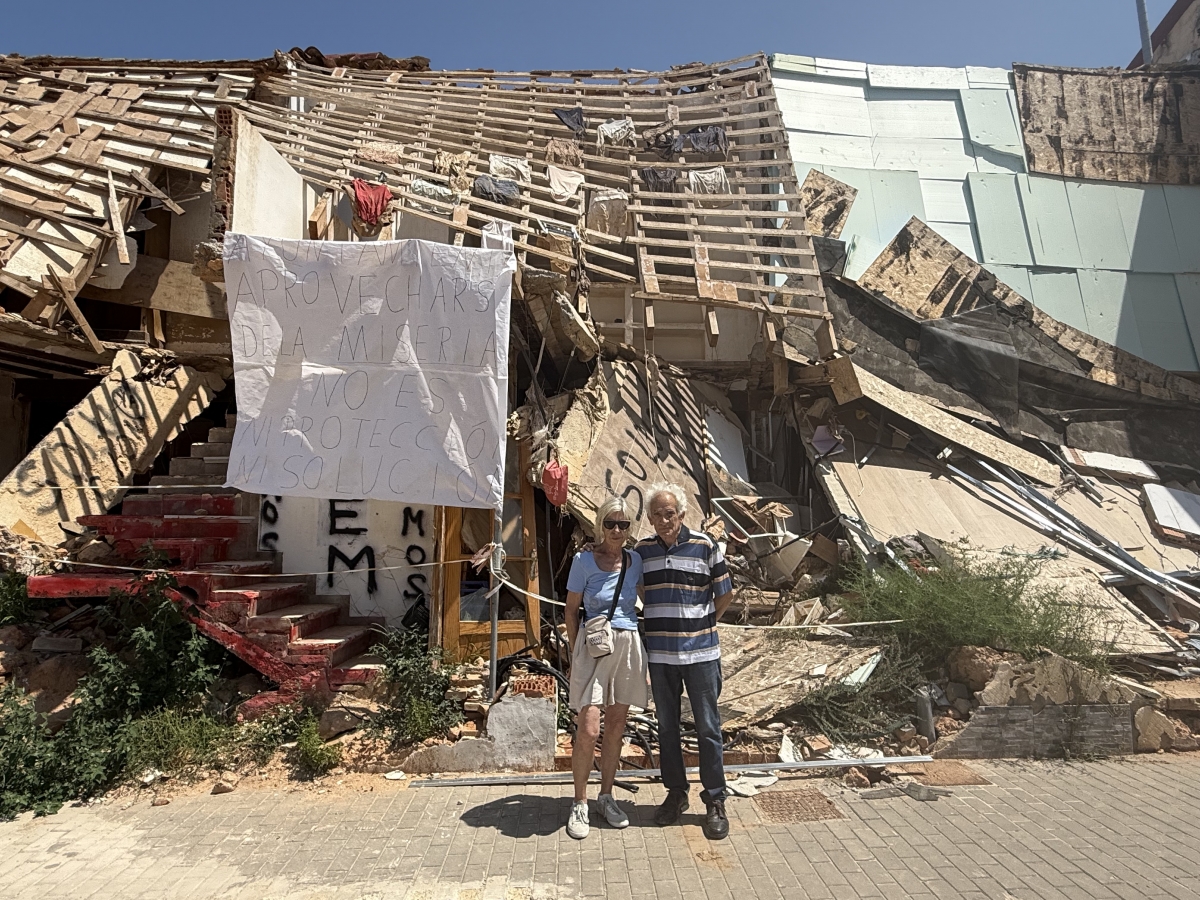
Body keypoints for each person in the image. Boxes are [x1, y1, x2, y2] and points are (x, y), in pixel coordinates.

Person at [636, 482, 734, 840]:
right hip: (661, 656)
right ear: (649, 518)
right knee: (667, 727)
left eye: (670, 513)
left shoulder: (705, 546)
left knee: (708, 728)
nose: (664, 520)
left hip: (701, 655)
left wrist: (702, 625)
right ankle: (676, 794)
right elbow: (642, 591)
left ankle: (715, 800)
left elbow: (724, 594)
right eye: (657, 515)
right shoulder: (641, 551)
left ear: (681, 514)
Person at [563, 496, 649, 840]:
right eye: (611, 523)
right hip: (594, 646)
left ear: (630, 529)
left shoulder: (636, 560)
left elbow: (648, 596)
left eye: (623, 524)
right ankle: (579, 801)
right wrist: (574, 653)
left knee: (616, 726)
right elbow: (571, 610)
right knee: (588, 728)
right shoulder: (583, 561)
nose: (616, 530)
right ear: (600, 524)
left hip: (627, 644)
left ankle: (606, 795)